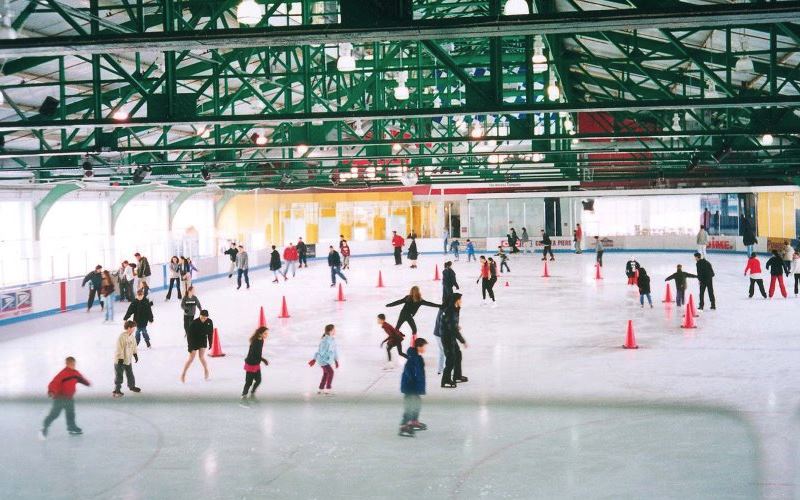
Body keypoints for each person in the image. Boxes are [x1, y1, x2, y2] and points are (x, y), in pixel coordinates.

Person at [40, 356, 90, 439]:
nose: (73, 366)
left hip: (69, 398)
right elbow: (54, 383)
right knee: (54, 414)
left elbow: (81, 379)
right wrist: (51, 391)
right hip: (60, 398)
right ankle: (45, 426)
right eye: (71, 364)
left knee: (70, 414)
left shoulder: (75, 373)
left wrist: (87, 383)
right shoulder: (62, 373)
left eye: (74, 364)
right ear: (66, 364)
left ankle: (71, 427)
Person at [398, 337, 428, 438]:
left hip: (413, 387)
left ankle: (413, 421)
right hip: (410, 388)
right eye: (424, 346)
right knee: (410, 407)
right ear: (419, 347)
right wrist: (413, 386)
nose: (425, 349)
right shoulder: (413, 359)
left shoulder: (416, 357)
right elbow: (411, 374)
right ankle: (403, 426)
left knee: (417, 403)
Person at [440, 293, 467, 388]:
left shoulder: (456, 309)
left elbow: (452, 324)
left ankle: (457, 376)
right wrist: (462, 340)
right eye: (460, 299)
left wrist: (455, 325)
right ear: (456, 300)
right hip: (447, 337)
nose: (461, 301)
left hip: (450, 335)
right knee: (450, 359)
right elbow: (452, 328)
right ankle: (445, 380)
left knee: (458, 354)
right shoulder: (450, 311)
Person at [182, 309, 213, 382]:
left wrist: (210, 343)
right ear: (200, 316)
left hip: (202, 340)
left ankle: (206, 370)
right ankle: (183, 374)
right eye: (202, 317)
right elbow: (189, 336)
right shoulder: (194, 322)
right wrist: (190, 346)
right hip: (194, 341)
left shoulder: (209, 322)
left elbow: (210, 333)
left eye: (205, 318)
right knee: (191, 359)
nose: (203, 319)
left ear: (207, 317)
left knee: (201, 357)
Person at [241, 326, 270, 405]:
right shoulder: (255, 342)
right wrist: (263, 360)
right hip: (251, 364)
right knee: (249, 382)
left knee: (258, 380)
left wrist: (261, 360)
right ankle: (244, 395)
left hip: (256, 363)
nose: (267, 335)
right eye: (265, 333)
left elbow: (258, 354)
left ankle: (252, 392)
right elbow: (254, 354)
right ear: (260, 334)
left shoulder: (261, 340)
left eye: (267, 333)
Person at [113, 321, 141, 397]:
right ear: (129, 328)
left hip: (128, 360)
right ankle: (117, 390)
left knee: (130, 374)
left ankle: (132, 386)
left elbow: (134, 346)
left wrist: (135, 354)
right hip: (120, 361)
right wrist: (120, 358)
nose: (134, 329)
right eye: (133, 328)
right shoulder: (121, 337)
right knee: (119, 376)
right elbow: (119, 348)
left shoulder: (132, 336)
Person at [308, 324, 339, 395]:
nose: (335, 331)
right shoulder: (325, 341)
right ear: (330, 331)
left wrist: (336, 360)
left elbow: (335, 351)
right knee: (331, 373)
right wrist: (315, 359)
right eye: (334, 329)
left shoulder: (332, 339)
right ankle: (328, 390)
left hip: (327, 360)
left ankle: (321, 389)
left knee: (326, 374)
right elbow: (320, 352)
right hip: (323, 360)